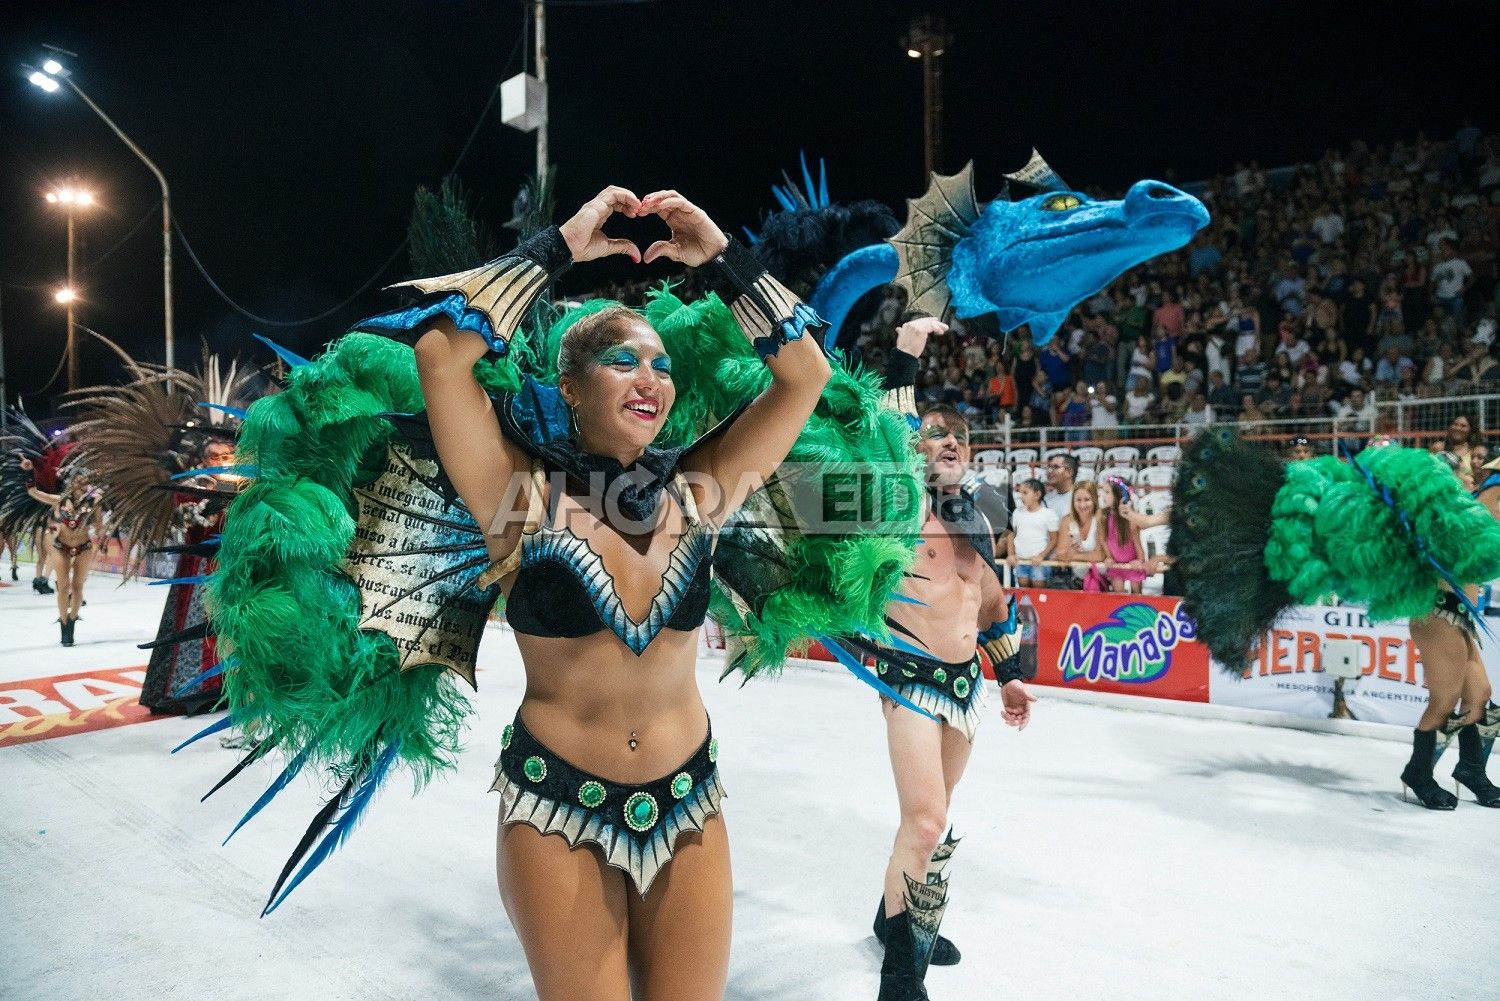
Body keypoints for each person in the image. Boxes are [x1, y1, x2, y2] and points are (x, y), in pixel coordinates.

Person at [407, 188, 831, 998]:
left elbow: (803, 372)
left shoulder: (702, 490)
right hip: (557, 809)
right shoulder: (517, 495)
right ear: (571, 384)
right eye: (624, 360)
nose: (652, 377)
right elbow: (439, 355)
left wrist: (720, 255)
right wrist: (558, 245)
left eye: (662, 365)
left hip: (688, 801)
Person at [860, 315, 1033, 1001]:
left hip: (965, 686)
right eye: (937, 433)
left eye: (959, 435)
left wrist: (1013, 676)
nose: (949, 442)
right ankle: (902, 969)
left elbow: (987, 601)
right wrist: (906, 351)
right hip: (906, 677)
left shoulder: (981, 513)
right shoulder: (896, 501)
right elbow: (893, 429)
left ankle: (892, 917)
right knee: (927, 820)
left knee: (933, 819)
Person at [24, 463, 104, 645]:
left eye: (84, 481)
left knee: (78, 587)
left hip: (84, 546)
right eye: (77, 481)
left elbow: (99, 527)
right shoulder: (59, 500)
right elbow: (34, 492)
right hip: (61, 546)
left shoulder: (94, 502)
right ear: (71, 483)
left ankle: (72, 622)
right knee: (63, 586)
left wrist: (101, 539)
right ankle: (63, 623)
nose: (80, 484)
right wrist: (29, 472)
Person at [1007, 478, 1057, 588]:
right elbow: (1011, 534)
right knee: (1022, 590)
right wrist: (1011, 554)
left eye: (1025, 493)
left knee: (1038, 590)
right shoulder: (1018, 513)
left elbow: (1054, 539)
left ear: (1037, 494)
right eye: (1020, 493)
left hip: (1039, 562)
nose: (1021, 497)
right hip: (1021, 560)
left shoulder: (1048, 514)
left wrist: (1041, 556)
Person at [1099, 477, 1146, 594]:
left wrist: (1140, 560)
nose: (1103, 496)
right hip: (1116, 565)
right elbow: (1104, 540)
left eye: (1107, 492)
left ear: (1119, 495)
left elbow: (1137, 542)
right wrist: (1109, 557)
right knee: (1118, 597)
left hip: (1132, 564)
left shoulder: (1130, 519)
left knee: (1136, 595)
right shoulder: (1104, 517)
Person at [1057, 480, 1105, 589]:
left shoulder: (1101, 519)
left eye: (1087, 500)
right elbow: (1061, 554)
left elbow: (1100, 555)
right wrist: (1088, 556)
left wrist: (1074, 556)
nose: (1082, 505)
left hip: (1100, 579)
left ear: (1095, 500)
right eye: (1078, 500)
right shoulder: (1067, 520)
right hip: (1075, 580)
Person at [1043, 452, 1078, 519]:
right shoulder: (1046, 499)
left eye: (1056, 467)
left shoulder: (1080, 499)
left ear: (1069, 472)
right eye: (1049, 467)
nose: (1049, 471)